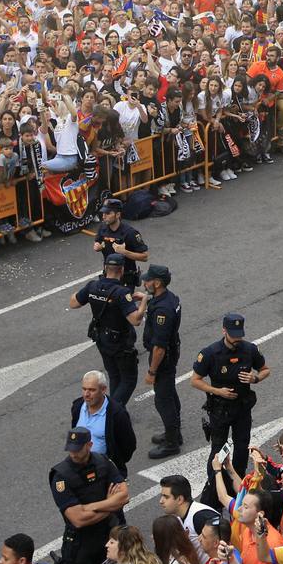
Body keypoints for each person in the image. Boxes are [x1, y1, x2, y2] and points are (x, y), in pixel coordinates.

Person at [191, 312, 269, 505]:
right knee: (218, 449)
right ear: (224, 331)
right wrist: (217, 391)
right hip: (220, 409)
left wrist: (255, 378)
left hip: (242, 408)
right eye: (233, 335)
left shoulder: (250, 350)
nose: (237, 339)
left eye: (239, 335)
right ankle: (213, 489)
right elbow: (195, 380)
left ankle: (239, 485)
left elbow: (266, 369)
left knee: (242, 447)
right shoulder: (210, 353)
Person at [48, 427, 129, 564]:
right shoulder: (61, 476)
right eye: (71, 449)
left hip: (107, 536)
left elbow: (123, 495)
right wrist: (111, 505)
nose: (74, 453)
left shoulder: (103, 461)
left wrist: (92, 507)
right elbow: (78, 519)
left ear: (89, 445)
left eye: (77, 449)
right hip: (80, 545)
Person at [69, 254, 143, 406]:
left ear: (105, 268)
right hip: (120, 343)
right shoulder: (121, 292)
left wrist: (93, 295)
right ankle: (111, 412)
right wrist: (144, 301)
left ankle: (114, 408)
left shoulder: (92, 286)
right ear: (121, 270)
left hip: (102, 339)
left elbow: (73, 303)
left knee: (114, 375)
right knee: (129, 379)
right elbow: (135, 320)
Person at [140, 264, 184, 458]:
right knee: (169, 393)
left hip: (163, 358)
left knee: (162, 398)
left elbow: (159, 347)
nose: (144, 282)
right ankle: (174, 432)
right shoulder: (169, 298)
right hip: (172, 351)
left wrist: (151, 371)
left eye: (148, 280)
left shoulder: (163, 310)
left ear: (157, 283)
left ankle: (172, 443)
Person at [69, 370, 137, 478]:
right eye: (84, 389)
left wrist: (115, 464)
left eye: (92, 390)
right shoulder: (77, 407)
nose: (86, 394)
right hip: (81, 469)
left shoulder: (117, 414)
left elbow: (128, 445)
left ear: (103, 389)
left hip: (106, 473)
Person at [94, 196, 148, 289]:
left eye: (107, 213)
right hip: (108, 276)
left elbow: (144, 257)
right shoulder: (102, 228)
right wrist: (97, 247)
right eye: (103, 213)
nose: (103, 216)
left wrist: (124, 252)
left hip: (126, 279)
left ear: (118, 215)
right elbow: (97, 242)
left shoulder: (130, 233)